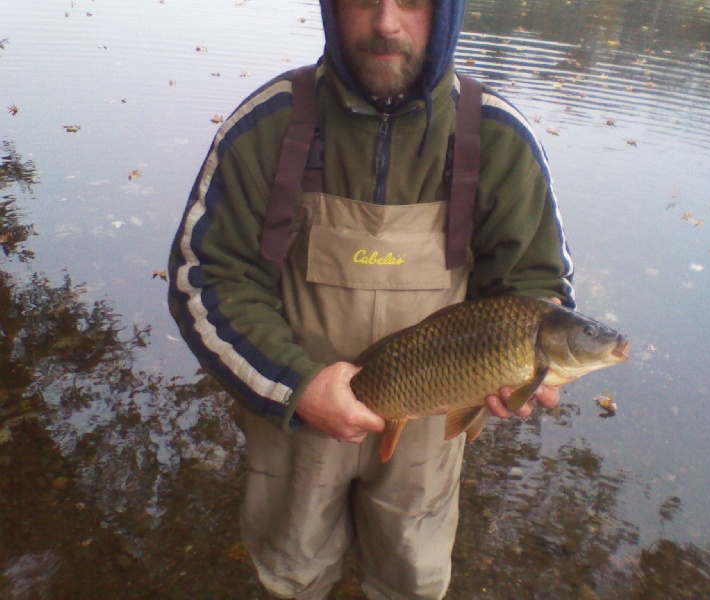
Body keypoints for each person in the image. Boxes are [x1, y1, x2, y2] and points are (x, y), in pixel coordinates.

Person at [168, 0, 575, 597]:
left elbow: (532, 290)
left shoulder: (496, 136)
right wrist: (295, 384)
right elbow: (204, 279)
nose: (386, 23)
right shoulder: (271, 125)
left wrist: (523, 375)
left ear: (447, 13)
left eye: (411, 1)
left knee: (411, 579)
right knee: (291, 575)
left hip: (429, 428)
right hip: (294, 421)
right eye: (365, 0)